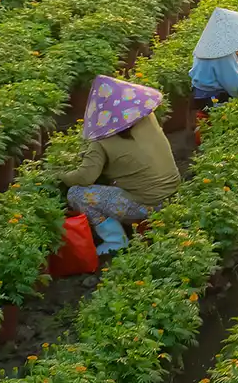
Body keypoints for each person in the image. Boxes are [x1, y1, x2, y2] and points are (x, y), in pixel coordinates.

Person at [62, 75, 181, 254]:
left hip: (147, 204)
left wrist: (62, 175)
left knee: (76, 194)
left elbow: (85, 177)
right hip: (175, 193)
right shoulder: (148, 117)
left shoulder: (101, 140)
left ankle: (116, 241)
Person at [189, 7, 238, 108]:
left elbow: (214, 69)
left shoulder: (207, 46)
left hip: (199, 94)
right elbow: (235, 88)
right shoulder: (223, 55)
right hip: (213, 99)